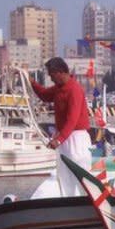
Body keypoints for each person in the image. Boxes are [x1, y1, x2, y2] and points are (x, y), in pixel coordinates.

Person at [31, 57, 92, 196]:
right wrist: (32, 83)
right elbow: (44, 95)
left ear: (59, 72)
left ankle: (86, 200)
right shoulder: (59, 88)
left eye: (51, 75)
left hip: (76, 138)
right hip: (64, 137)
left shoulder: (74, 89)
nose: (51, 79)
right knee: (64, 176)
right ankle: (69, 201)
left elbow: (72, 120)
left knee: (79, 173)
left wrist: (58, 140)